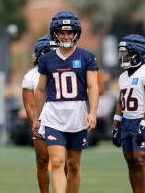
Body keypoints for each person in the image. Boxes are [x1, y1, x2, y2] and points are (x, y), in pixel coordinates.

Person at [33, 11, 99, 193]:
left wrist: (93, 112)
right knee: (57, 162)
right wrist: (36, 118)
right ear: (55, 33)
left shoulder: (87, 57)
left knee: (74, 165)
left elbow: (93, 87)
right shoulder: (46, 59)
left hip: (78, 116)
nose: (66, 36)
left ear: (76, 33)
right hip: (54, 115)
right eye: (62, 32)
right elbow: (40, 90)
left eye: (70, 32)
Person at [112, 34, 145, 193]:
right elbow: (121, 102)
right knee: (130, 161)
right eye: (122, 53)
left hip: (142, 120)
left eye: (127, 53)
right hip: (127, 122)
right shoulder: (123, 76)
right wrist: (115, 126)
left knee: (141, 159)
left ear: (138, 54)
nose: (123, 56)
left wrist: (144, 124)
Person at [22, 35, 57, 193]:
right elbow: (29, 105)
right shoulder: (31, 76)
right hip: (42, 123)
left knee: (63, 162)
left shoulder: (62, 71)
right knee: (42, 161)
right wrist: (36, 123)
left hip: (62, 121)